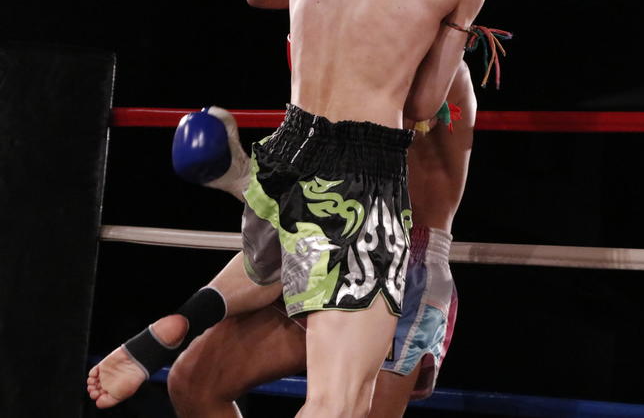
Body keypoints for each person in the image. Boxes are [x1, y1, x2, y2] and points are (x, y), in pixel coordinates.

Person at [91, 0, 490, 418]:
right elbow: (422, 101)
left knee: (279, 258)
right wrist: (449, 30)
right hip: (364, 182)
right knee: (337, 403)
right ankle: (187, 314)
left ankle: (178, 320)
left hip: (288, 150)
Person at [87, 61, 476, 417]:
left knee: (338, 408)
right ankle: (183, 320)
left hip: (399, 267)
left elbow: (366, 138)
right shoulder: (343, 54)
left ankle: (185, 318)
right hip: (322, 232)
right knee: (193, 383)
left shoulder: (439, 68)